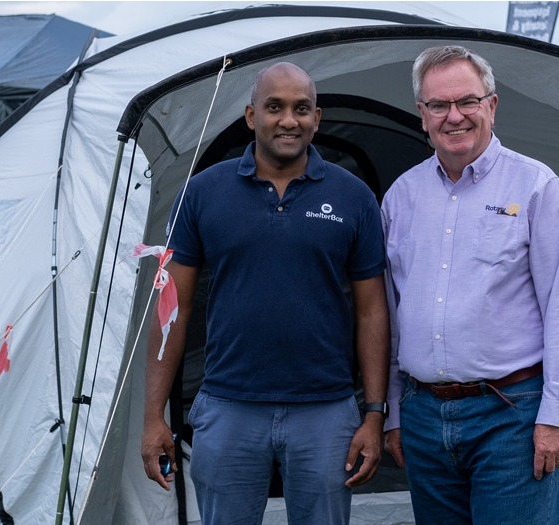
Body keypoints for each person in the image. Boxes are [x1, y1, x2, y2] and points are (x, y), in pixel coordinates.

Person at [141, 62, 390, 525]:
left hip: (327, 412)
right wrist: (153, 415)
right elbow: (172, 307)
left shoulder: (354, 197)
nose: (288, 120)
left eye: (301, 109)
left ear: (318, 117)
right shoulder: (202, 193)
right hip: (228, 407)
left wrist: (373, 414)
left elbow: (372, 311)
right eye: (274, 107)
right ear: (251, 115)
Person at [381, 46, 559, 524]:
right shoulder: (401, 198)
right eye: (438, 105)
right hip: (422, 418)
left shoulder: (537, 188)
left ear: (492, 106)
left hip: (511, 416)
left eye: (467, 101)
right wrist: (394, 413)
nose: (454, 116)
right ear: (422, 115)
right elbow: (391, 318)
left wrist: (556, 417)